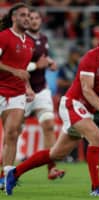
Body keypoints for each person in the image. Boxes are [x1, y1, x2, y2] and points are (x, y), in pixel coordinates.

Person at [4, 24, 99, 196]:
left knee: (56, 154)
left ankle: (14, 173)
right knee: (96, 135)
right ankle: (96, 187)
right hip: (73, 103)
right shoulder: (91, 57)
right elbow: (86, 89)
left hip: (87, 110)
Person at [25, 9, 65, 179]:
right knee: (13, 133)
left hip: (41, 90)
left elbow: (41, 59)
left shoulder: (43, 39)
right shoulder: (22, 40)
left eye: (36, 18)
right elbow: (17, 67)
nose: (34, 21)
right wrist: (37, 66)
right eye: (30, 18)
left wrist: (49, 62)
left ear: (41, 21)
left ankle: (51, 169)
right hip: (21, 91)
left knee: (49, 126)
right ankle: (6, 171)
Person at [0, 3, 34, 188]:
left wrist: (27, 86)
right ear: (13, 18)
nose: (26, 18)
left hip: (17, 93)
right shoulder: (3, 37)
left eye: (28, 15)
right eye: (22, 15)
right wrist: (14, 71)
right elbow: (16, 69)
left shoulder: (29, 42)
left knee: (12, 133)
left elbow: (23, 70)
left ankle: (6, 177)